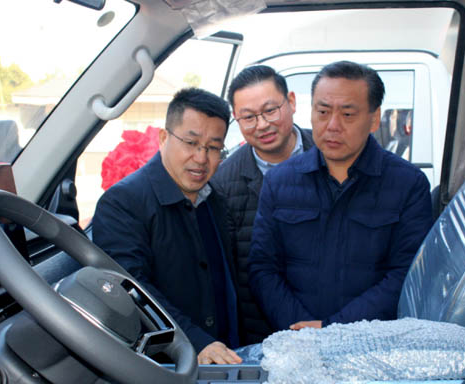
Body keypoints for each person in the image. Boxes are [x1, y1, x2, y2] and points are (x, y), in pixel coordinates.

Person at [249, 61, 433, 332]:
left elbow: (407, 275)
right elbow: (263, 269)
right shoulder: (280, 182)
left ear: (374, 119)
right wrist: (301, 330)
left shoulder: (408, 184)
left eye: (347, 114)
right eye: (323, 112)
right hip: (296, 341)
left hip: (372, 343)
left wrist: (333, 329)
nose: (332, 126)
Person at [92, 88, 242, 365]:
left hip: (221, 359)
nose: (201, 158)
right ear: (163, 138)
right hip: (163, 367)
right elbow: (131, 290)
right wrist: (196, 342)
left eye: (213, 147)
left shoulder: (214, 199)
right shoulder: (123, 202)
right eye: (191, 142)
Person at [211, 65, 314, 345]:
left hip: (336, 326)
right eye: (249, 117)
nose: (262, 124)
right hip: (263, 338)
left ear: (291, 102)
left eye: (270, 110)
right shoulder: (222, 183)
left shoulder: (333, 154)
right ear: (236, 119)